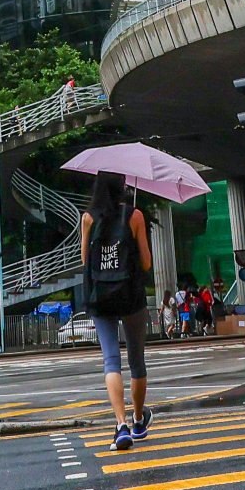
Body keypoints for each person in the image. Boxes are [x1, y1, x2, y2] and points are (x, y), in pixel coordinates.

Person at [78, 175, 152, 450]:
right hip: (131, 296)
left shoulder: (88, 218)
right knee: (136, 361)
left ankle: (120, 425)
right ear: (121, 187)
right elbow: (146, 263)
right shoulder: (135, 215)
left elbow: (85, 261)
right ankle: (138, 420)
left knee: (111, 360)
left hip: (100, 299)